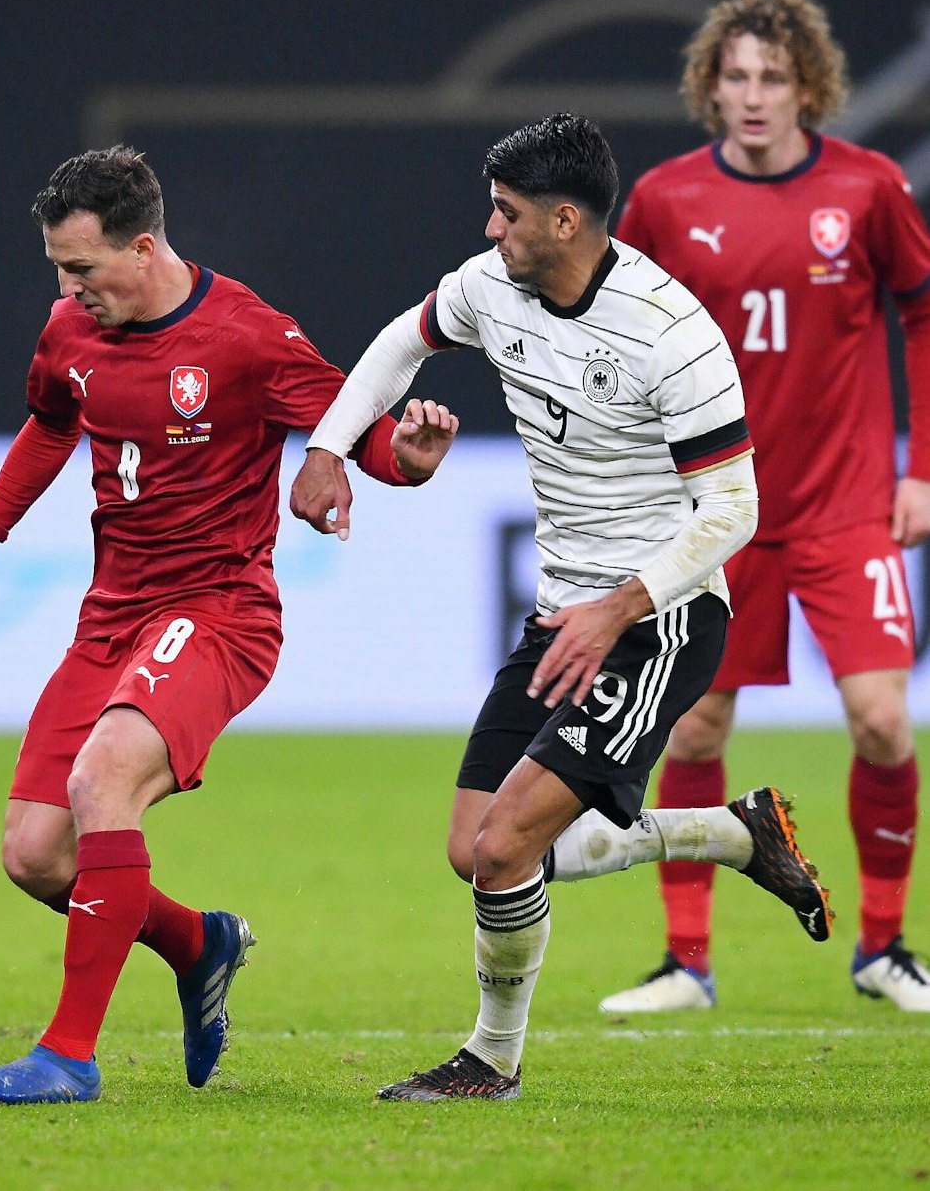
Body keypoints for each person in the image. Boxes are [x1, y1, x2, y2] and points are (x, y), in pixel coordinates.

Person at [292, 113, 831, 1101]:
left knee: (503, 847)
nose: (488, 231)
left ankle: (490, 1061)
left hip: (657, 623)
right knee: (474, 847)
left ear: (565, 221)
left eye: (505, 215)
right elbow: (398, 343)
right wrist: (329, 446)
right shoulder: (492, 286)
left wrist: (619, 603)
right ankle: (730, 832)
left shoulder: (670, 333)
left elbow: (735, 507)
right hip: (559, 614)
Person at [0, 144, 459, 1105]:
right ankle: (196, 941)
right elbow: (51, 423)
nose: (66, 288)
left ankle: (67, 1056)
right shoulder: (68, 330)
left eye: (81, 268)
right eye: (57, 268)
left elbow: (352, 428)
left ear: (141, 247)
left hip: (217, 612)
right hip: (110, 618)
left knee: (100, 782)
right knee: (34, 855)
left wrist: (410, 455)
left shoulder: (245, 337)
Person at [600, 0, 930, 1015]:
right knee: (694, 729)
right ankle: (684, 964)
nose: (750, 97)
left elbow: (920, 318)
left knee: (880, 720)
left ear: (807, 87)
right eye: (733, 77)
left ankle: (882, 947)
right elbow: (616, 346)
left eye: (770, 78)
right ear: (710, 85)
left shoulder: (866, 189)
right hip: (711, 511)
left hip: (842, 504)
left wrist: (918, 465)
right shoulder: (659, 200)